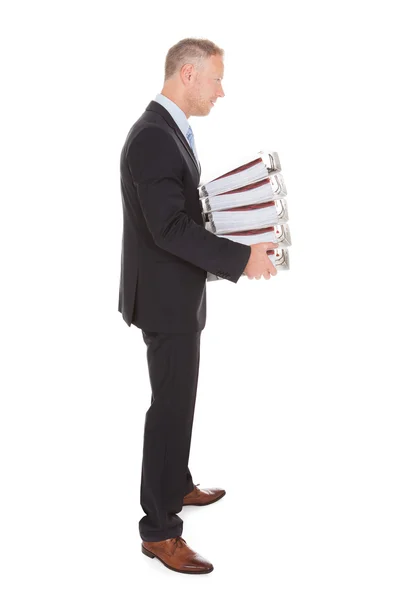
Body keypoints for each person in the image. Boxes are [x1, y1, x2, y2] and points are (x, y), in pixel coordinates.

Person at [118, 37, 278, 575]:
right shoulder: (152, 139)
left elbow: (186, 213)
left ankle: (176, 483)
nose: (221, 90)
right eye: (215, 79)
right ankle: (159, 531)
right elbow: (169, 228)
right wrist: (240, 258)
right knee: (168, 409)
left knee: (180, 400)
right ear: (187, 74)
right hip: (164, 300)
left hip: (177, 294)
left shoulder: (167, 132)